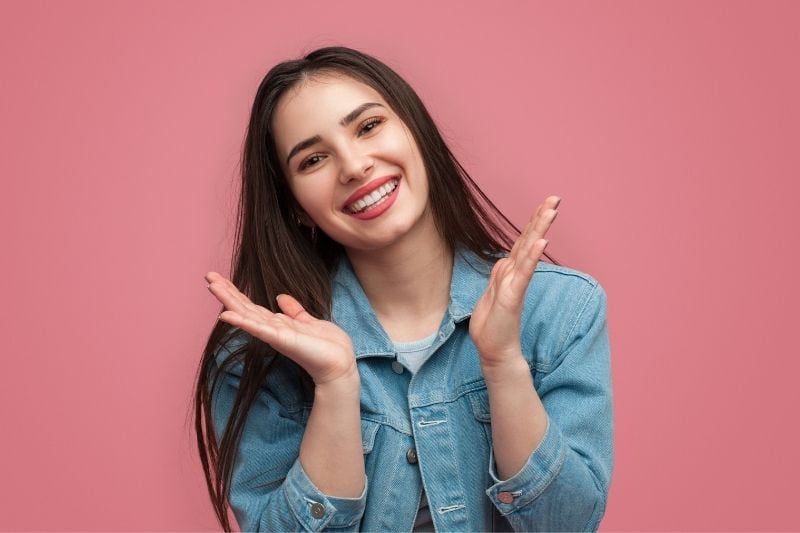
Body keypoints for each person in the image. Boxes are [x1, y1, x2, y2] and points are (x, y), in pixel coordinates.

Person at [194, 46, 613, 532]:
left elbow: (569, 523)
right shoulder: (258, 356)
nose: (354, 166)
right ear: (295, 207)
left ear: (417, 131)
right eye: (313, 159)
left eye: (368, 126)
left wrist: (501, 364)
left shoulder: (561, 309)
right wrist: (334, 387)